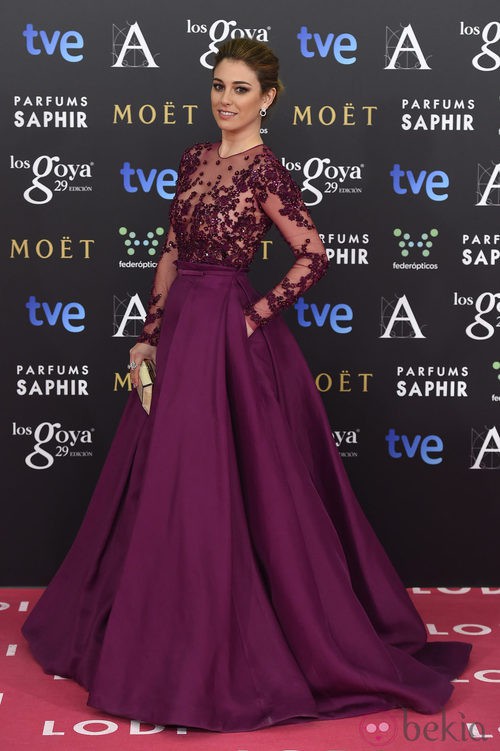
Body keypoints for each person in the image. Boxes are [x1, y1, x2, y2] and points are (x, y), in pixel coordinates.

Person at [21, 38, 472, 734]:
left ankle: (233, 647)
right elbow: (171, 249)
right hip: (181, 340)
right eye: (219, 86)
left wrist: (254, 317)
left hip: (230, 339)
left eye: (240, 89)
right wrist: (149, 332)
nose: (226, 99)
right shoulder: (195, 158)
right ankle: (153, 638)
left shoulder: (264, 170)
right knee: (165, 485)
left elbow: (314, 254)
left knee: (230, 491)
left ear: (269, 98)